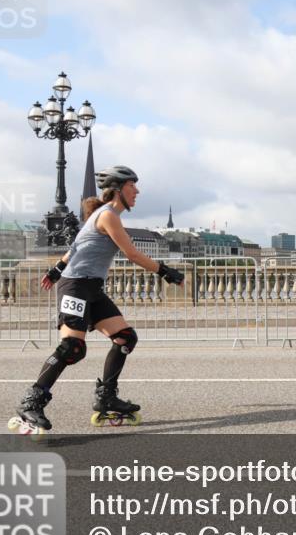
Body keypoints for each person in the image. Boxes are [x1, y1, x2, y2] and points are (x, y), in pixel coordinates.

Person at [10, 166, 185, 434]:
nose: (137, 191)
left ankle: (106, 397)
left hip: (92, 288)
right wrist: (166, 271)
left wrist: (56, 268)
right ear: (118, 189)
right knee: (72, 348)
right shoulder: (107, 216)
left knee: (125, 337)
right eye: (132, 186)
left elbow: (76, 246)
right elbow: (133, 254)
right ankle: (31, 401)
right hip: (75, 287)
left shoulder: (103, 216)